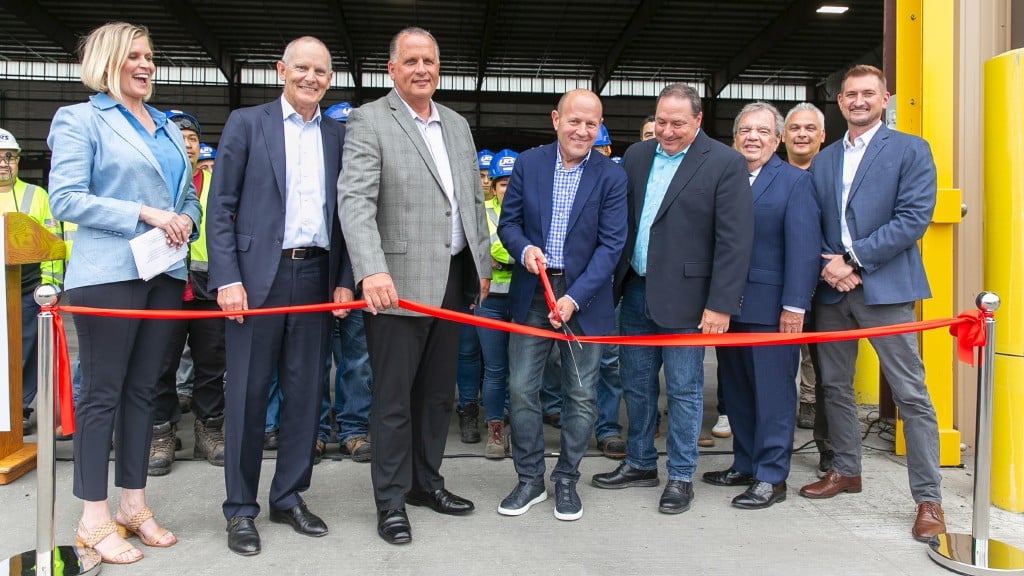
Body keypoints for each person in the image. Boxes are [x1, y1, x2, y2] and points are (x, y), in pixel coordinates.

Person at [47, 22, 201, 564]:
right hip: (108, 272)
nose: (146, 65)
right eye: (134, 55)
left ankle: (133, 504)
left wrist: (185, 217)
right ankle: (93, 516)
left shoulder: (165, 125)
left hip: (162, 273)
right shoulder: (80, 119)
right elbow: (65, 198)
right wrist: (142, 213)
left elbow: (188, 199)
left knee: (145, 392)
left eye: (150, 56)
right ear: (108, 60)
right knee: (101, 395)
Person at [337, 27, 491, 546]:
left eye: (429, 60)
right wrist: (370, 269)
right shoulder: (370, 119)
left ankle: (427, 482)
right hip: (395, 285)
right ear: (392, 69)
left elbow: (470, 199)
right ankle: (389, 499)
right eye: (411, 61)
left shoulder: (456, 125)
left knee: (435, 398)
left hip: (452, 279)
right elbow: (355, 201)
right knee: (393, 399)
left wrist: (483, 264)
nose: (421, 68)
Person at [206, 35, 353, 556]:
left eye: (320, 71)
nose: (311, 78)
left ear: (329, 79)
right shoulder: (248, 125)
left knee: (306, 393)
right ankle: (240, 509)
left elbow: (349, 215)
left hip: (315, 277)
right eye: (302, 68)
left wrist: (344, 279)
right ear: (281, 70)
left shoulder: (339, 135)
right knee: (246, 394)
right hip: (254, 278)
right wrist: (226, 278)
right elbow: (220, 206)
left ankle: (288, 496)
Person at [799, 64, 946, 543]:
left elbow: (912, 219)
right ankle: (846, 469)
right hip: (832, 290)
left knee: (910, 395)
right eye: (849, 94)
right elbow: (815, 219)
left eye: (867, 93)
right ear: (839, 102)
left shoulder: (909, 150)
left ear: (885, 99)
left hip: (885, 289)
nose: (858, 101)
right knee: (834, 386)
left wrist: (853, 261)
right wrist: (829, 264)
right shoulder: (822, 161)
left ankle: (929, 499)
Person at [591, 83, 753, 516]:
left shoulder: (724, 163)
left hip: (690, 299)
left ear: (698, 120)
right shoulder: (638, 156)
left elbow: (735, 242)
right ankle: (641, 461)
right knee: (637, 386)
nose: (667, 130)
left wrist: (720, 304)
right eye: (661, 121)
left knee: (684, 390)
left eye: (677, 123)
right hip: (637, 288)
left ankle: (681, 475)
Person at [497, 89, 627, 521]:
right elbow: (508, 223)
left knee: (582, 393)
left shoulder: (611, 176)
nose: (582, 131)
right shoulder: (529, 164)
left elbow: (611, 246)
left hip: (583, 298)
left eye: (592, 124)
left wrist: (574, 297)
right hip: (532, 290)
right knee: (520, 387)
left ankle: (567, 478)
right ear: (556, 119)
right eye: (575, 121)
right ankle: (530, 478)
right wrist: (524, 249)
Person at [702, 102, 820, 509]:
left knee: (772, 395)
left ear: (778, 138)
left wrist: (794, 307)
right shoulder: (725, 178)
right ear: (734, 138)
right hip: (726, 309)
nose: (752, 137)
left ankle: (772, 476)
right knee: (736, 393)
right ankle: (746, 462)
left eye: (763, 131)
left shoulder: (793, 182)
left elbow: (804, 250)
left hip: (771, 309)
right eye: (745, 131)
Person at [147, 110, 226, 476]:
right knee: (160, 364)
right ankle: (161, 432)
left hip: (209, 287)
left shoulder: (217, 182)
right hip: (166, 286)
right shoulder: (154, 184)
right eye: (179, 137)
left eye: (192, 138)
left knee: (212, 364)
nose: (187, 144)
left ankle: (208, 429)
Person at [317, 100, 372, 464]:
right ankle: (317, 431)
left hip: (356, 280)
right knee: (314, 363)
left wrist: (350, 280)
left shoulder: (366, 174)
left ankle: (353, 431)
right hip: (312, 280)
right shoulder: (314, 170)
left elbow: (364, 229)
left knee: (357, 361)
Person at [0, 128, 64, 434]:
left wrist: (49, 287)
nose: (3, 163)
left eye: (9, 157)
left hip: (25, 288)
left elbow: (52, 243)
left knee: (26, 349)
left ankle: (20, 408)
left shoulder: (37, 196)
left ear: (18, 161)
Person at [782, 102, 834, 474]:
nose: (802, 134)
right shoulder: (768, 174)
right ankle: (772, 451)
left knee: (829, 374)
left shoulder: (834, 176)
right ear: (783, 135)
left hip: (828, 290)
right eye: (795, 128)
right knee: (776, 373)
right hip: (777, 291)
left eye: (809, 129)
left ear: (822, 136)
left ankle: (829, 450)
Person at [474, 148, 517, 459]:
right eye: (503, 183)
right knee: (495, 369)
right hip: (490, 302)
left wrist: (500, 258)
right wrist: (514, 258)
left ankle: (522, 428)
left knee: (525, 370)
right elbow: (496, 249)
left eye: (514, 183)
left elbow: (498, 251)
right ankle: (495, 429)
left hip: (524, 299)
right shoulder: (481, 212)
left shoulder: (531, 210)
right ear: (493, 186)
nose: (508, 189)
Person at [587, 126, 626, 459]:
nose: (594, 151)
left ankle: (608, 427)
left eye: (601, 146)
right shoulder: (564, 173)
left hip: (607, 284)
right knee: (564, 359)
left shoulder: (616, 179)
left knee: (609, 361)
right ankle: (575, 424)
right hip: (568, 283)